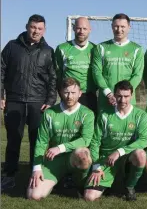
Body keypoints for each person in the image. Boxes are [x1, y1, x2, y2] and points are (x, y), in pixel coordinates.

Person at [1, 14, 57, 190]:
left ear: (44, 30)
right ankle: (9, 175)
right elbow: (1, 70)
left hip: (37, 103)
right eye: (33, 27)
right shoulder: (12, 46)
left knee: (37, 141)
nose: (36, 31)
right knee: (13, 140)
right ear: (27, 26)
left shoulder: (48, 51)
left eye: (40, 29)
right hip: (14, 100)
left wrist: (50, 100)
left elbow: (53, 78)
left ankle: (35, 175)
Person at [26, 77, 94, 200]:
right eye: (66, 92)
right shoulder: (50, 113)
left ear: (80, 94)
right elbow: (41, 141)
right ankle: (59, 179)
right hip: (54, 159)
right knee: (34, 195)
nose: (69, 96)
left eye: (73, 93)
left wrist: (60, 148)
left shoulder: (87, 113)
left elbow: (85, 140)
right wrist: (36, 168)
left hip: (74, 157)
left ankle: (78, 182)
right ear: (60, 93)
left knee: (82, 153)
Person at [83, 80, 147, 201]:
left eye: (126, 96)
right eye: (119, 96)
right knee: (89, 197)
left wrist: (119, 152)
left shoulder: (140, 115)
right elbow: (95, 142)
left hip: (127, 157)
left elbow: (143, 140)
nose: (122, 100)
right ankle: (112, 183)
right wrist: (96, 167)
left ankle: (130, 186)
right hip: (106, 159)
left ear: (132, 96)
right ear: (114, 95)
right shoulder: (104, 115)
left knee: (141, 154)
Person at [92, 13, 144, 112]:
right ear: (112, 27)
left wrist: (123, 94)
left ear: (129, 27)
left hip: (127, 100)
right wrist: (109, 93)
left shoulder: (137, 49)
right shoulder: (101, 47)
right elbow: (96, 73)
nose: (119, 30)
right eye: (116, 26)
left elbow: (137, 75)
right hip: (106, 99)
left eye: (122, 27)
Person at [55, 17, 97, 113]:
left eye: (84, 28)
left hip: (89, 96)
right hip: (69, 96)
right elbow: (58, 73)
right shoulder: (62, 48)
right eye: (78, 28)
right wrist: (61, 92)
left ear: (90, 29)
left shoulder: (95, 49)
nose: (81, 31)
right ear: (73, 28)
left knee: (89, 126)